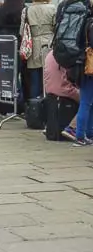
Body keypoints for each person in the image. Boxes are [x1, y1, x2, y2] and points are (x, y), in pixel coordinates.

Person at [19, 0, 56, 100]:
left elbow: (22, 30)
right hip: (49, 44)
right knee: (49, 77)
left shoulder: (26, 10)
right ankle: (49, 105)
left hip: (33, 46)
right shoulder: (52, 8)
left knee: (34, 78)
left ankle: (35, 108)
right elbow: (56, 27)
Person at [44, 50, 79, 141]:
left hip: (50, 91)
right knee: (88, 100)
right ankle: (72, 128)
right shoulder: (68, 54)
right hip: (63, 90)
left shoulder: (50, 53)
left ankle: (50, 126)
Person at [74, 2, 93, 146]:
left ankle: (85, 135)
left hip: (85, 66)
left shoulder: (85, 22)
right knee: (86, 103)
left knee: (86, 102)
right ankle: (81, 135)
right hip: (90, 67)